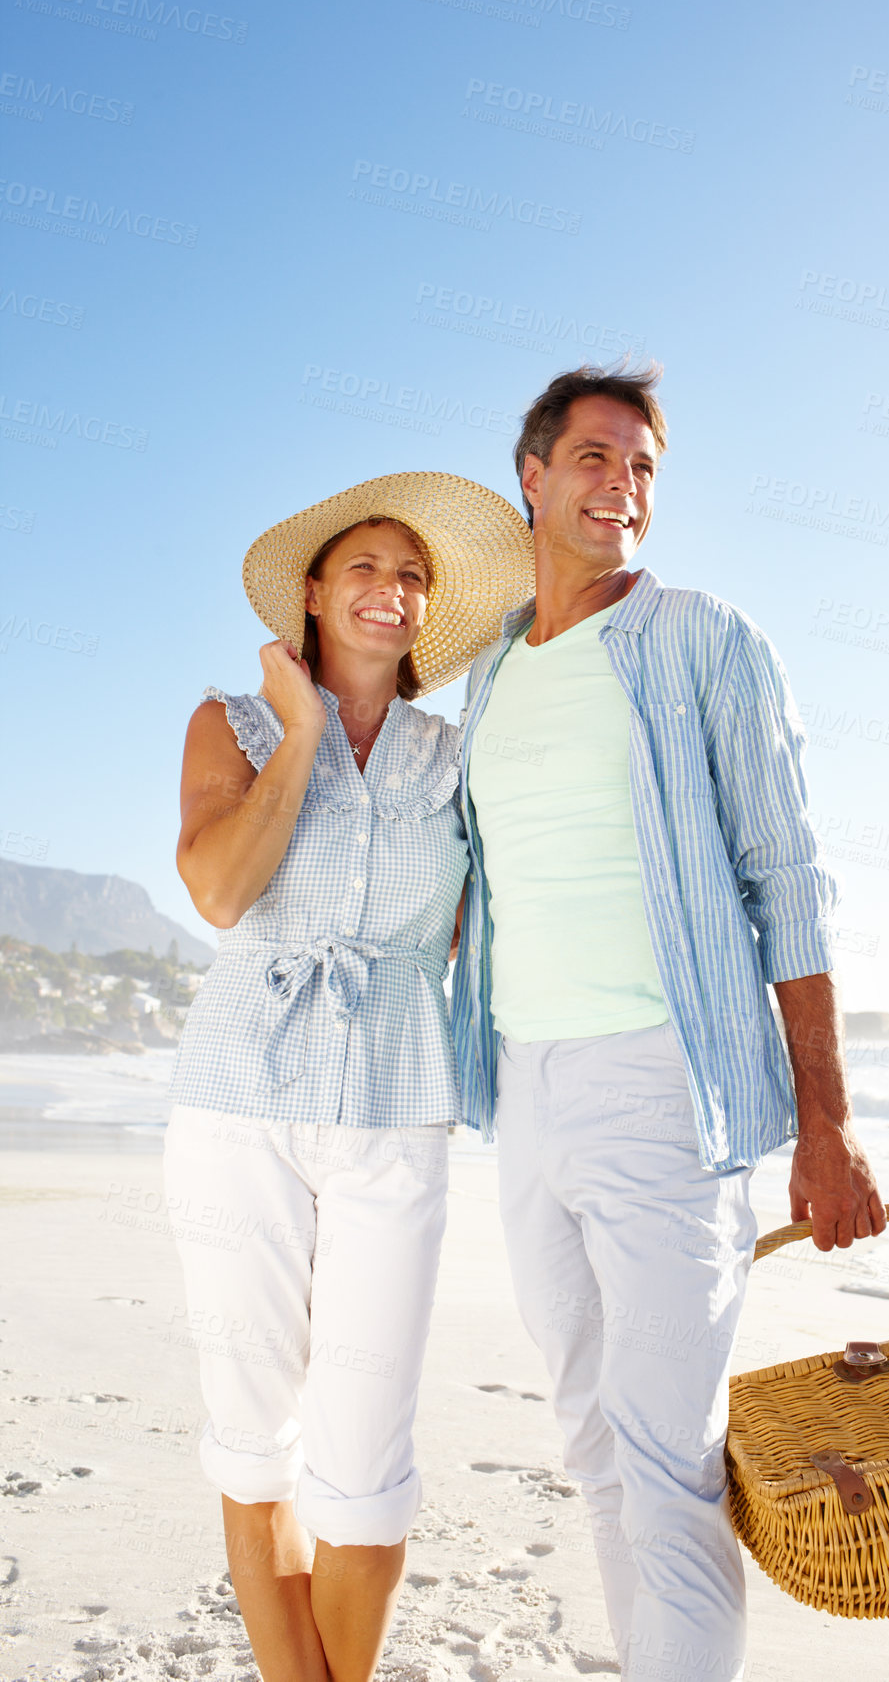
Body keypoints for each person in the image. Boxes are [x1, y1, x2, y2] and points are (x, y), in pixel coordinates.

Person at [450, 366, 886, 1681]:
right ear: (530, 476)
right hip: (523, 1090)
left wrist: (829, 1125)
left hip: (663, 1086)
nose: (619, 487)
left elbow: (788, 886)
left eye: (640, 469)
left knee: (667, 1457)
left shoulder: (703, 637)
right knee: (587, 1437)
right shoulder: (483, 677)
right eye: (592, 458)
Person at [164, 472, 533, 1682]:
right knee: (252, 1432)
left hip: (392, 1109)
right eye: (367, 566)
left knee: (366, 1450)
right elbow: (221, 890)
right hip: (236, 1106)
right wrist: (308, 733)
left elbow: (490, 927)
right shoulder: (235, 722)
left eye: (413, 574)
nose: (393, 588)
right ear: (314, 592)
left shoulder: (454, 753)